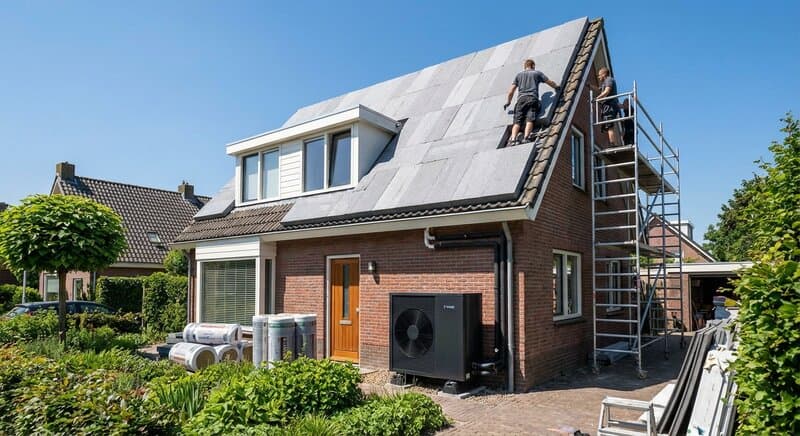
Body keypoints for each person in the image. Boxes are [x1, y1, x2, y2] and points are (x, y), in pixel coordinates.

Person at [503, 59, 560, 145]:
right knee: (530, 119)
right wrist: (556, 86)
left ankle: (513, 139)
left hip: (521, 100)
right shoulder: (537, 73)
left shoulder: (518, 75)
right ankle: (526, 137)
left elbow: (511, 91)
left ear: (525, 66)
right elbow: (549, 82)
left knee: (517, 121)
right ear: (533, 65)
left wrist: (508, 102)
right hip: (532, 99)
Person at [595, 67, 620, 146]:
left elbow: (607, 91)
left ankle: (613, 144)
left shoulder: (609, 80)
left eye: (599, 75)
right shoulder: (605, 83)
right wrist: (590, 86)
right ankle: (613, 143)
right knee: (609, 125)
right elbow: (600, 90)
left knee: (609, 125)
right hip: (610, 105)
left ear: (604, 74)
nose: (598, 77)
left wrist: (597, 99)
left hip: (610, 105)